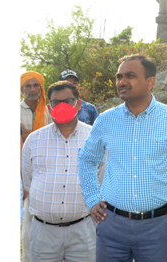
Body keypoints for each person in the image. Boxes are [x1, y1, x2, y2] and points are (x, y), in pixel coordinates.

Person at [78, 55, 167, 262]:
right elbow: (87, 159)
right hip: (111, 225)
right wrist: (92, 198)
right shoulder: (106, 120)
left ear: (150, 82)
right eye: (119, 77)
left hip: (156, 227)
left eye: (130, 76)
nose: (122, 82)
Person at [22, 80, 100, 262]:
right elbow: (28, 179)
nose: (62, 106)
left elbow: (102, 176)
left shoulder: (95, 138)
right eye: (56, 102)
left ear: (78, 104)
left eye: (68, 101)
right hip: (44, 232)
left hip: (83, 228)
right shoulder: (34, 140)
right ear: (49, 108)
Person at [20, 71, 52, 262]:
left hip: (47, 169)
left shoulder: (49, 110)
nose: (32, 90)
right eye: (28, 86)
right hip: (22, 169)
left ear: (41, 88)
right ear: (21, 89)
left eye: (36, 85)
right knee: (29, 219)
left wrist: (27, 135)